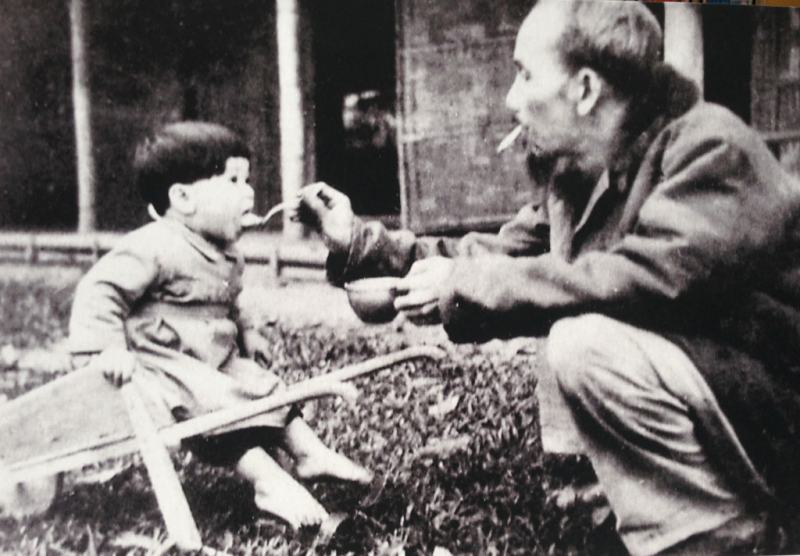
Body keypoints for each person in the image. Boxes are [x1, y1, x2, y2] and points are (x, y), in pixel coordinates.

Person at [297, 0, 800, 553]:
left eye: (525, 74)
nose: (512, 100)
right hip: (729, 410)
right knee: (579, 335)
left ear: (584, 89)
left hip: (780, 417)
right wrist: (361, 243)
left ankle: (726, 537)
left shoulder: (709, 148)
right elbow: (499, 258)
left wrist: (467, 284)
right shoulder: (582, 172)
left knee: (584, 343)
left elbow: (648, 277)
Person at [68, 121, 372, 530]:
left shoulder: (226, 253)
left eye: (247, 179)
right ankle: (267, 481)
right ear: (183, 197)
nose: (248, 191)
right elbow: (99, 291)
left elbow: (229, 299)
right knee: (217, 406)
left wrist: (246, 331)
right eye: (232, 180)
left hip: (211, 359)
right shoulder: (153, 245)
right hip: (161, 366)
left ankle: (309, 453)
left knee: (265, 388)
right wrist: (106, 349)